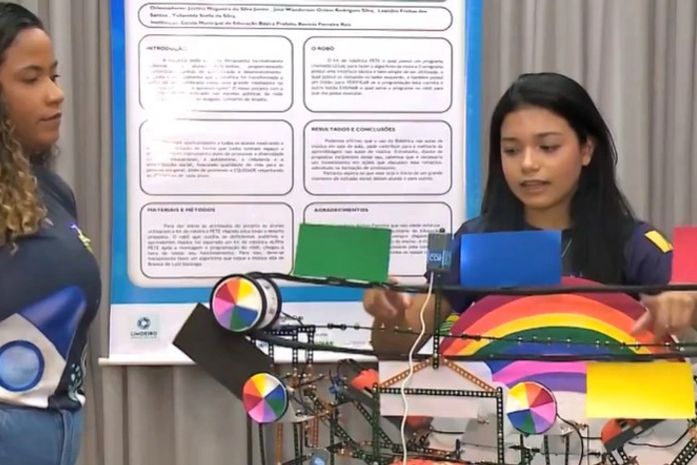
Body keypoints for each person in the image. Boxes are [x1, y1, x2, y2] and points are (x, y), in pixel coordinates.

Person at [364, 72, 675, 355]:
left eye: (548, 147)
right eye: (511, 150)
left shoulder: (637, 243)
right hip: (503, 397)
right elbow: (394, 347)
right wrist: (389, 313)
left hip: (611, 398)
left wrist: (688, 306)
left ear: (586, 150)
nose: (527, 164)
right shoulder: (473, 241)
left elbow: (686, 308)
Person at [0, 3, 100, 465]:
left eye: (54, 76)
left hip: (58, 430)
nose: (55, 94)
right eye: (31, 78)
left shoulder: (52, 191)